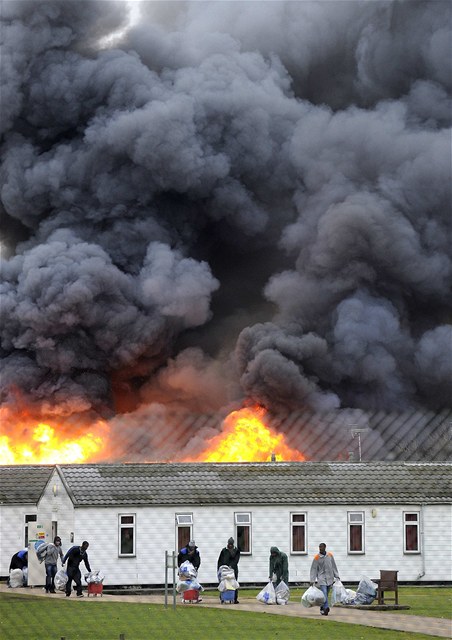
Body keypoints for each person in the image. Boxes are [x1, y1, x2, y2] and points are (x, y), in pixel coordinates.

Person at [310, 542, 340, 616]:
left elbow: (333, 565)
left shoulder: (330, 555)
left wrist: (337, 575)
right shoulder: (317, 557)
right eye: (319, 547)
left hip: (330, 578)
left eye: (321, 547)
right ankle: (326, 607)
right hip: (321, 578)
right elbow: (314, 569)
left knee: (326, 594)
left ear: (325, 547)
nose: (320, 548)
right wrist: (312, 580)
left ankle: (322, 608)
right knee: (324, 593)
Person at [217, 537, 241, 604]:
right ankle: (222, 597)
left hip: (233, 570)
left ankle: (234, 598)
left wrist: (231, 566)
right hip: (224, 569)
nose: (230, 545)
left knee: (233, 583)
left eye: (231, 544)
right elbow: (220, 560)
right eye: (229, 544)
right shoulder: (224, 551)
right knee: (224, 583)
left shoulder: (236, 551)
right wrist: (220, 568)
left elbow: (236, 560)